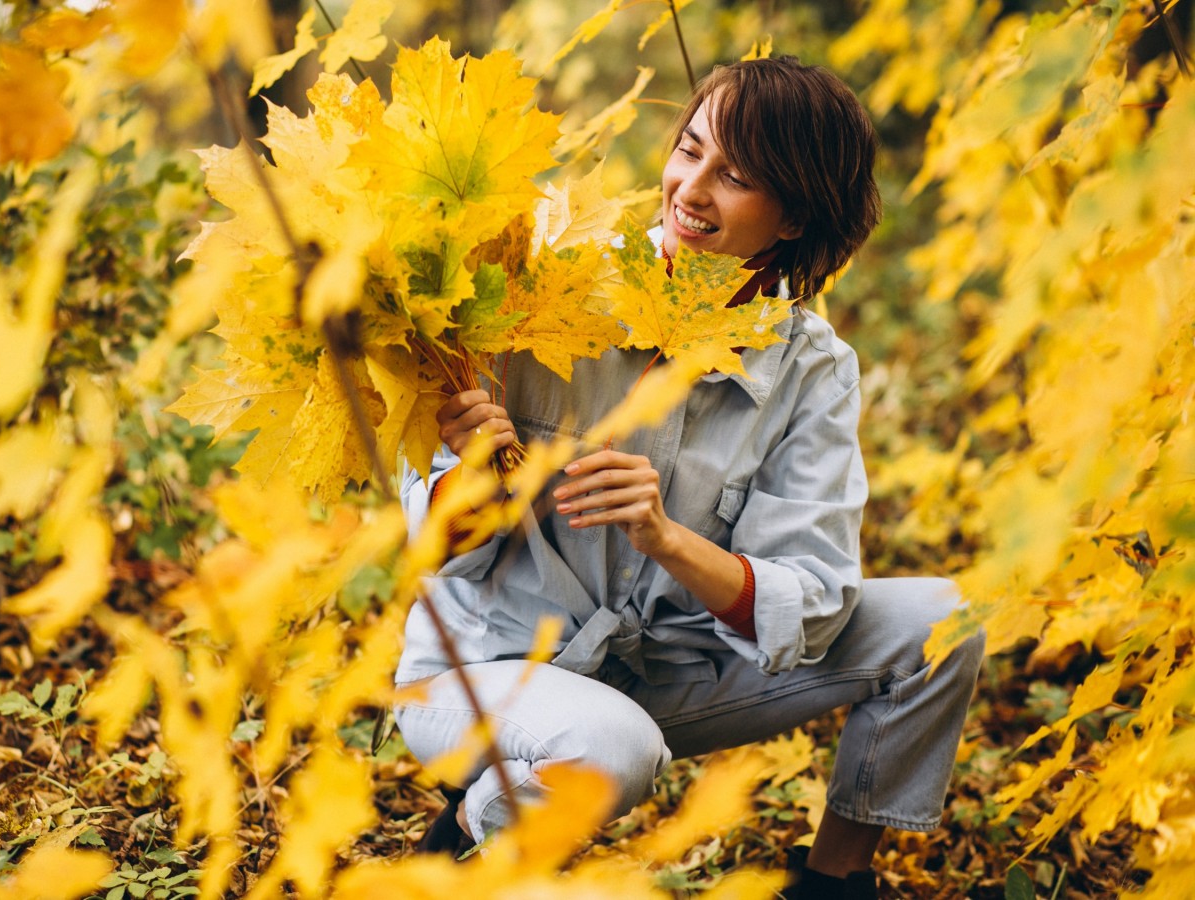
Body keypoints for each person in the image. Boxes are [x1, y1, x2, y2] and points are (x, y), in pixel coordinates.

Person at [392, 56, 984, 899]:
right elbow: (431, 547)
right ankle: (470, 844)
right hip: (482, 669)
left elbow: (812, 598)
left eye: (735, 176)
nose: (691, 189)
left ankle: (833, 886)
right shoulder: (544, 288)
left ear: (795, 217)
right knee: (611, 746)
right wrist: (479, 480)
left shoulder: (812, 370)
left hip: (659, 671)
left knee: (942, 623)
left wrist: (665, 538)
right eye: (690, 150)